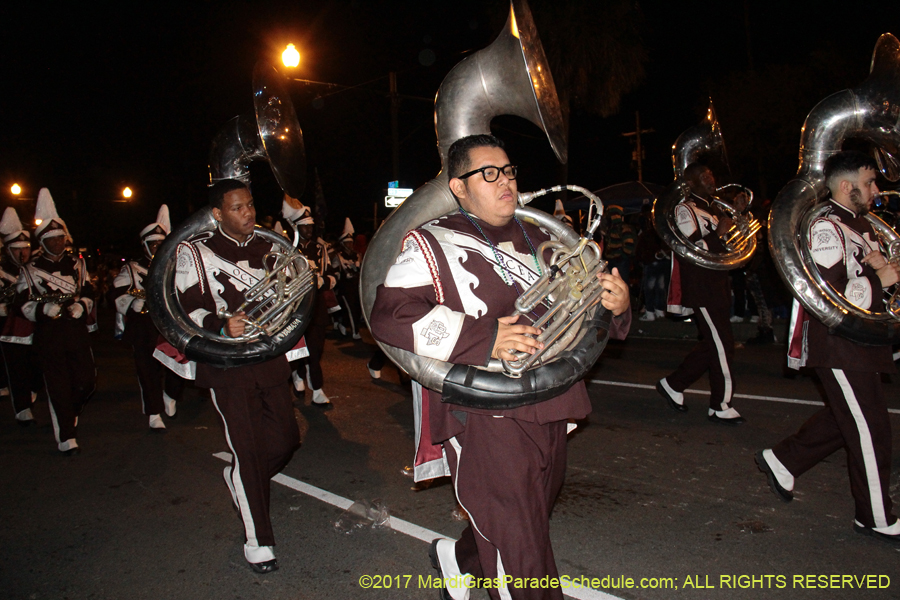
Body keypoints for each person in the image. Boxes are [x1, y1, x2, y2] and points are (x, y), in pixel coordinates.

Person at [370, 134, 631, 600]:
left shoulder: (545, 235)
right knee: (524, 555)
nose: (505, 181)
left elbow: (589, 309)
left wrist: (616, 303)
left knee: (526, 516)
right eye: (488, 173)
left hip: (552, 398)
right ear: (459, 187)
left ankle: (463, 558)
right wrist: (486, 337)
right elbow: (389, 315)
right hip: (484, 410)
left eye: (508, 170)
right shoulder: (431, 241)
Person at [756, 151, 900, 543]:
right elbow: (829, 295)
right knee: (871, 428)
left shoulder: (861, 224)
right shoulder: (824, 226)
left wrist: (882, 272)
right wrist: (881, 280)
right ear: (845, 185)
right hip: (837, 341)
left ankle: (783, 460)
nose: (876, 190)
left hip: (859, 341)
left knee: (847, 418)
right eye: (869, 183)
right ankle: (874, 516)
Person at [175, 180, 300, 572]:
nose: (248, 214)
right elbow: (184, 310)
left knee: (286, 439)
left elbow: (291, 301)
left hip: (269, 360)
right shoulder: (193, 253)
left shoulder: (272, 248)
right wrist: (218, 323)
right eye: (237, 208)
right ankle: (258, 541)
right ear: (217, 214)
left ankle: (241, 476)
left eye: (250, 205)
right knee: (248, 451)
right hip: (226, 366)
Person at [656, 163, 745, 425]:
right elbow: (691, 249)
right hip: (701, 285)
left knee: (713, 344)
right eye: (704, 176)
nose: (711, 178)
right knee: (722, 345)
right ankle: (720, 404)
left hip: (717, 284)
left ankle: (673, 384)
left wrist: (737, 216)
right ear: (691, 182)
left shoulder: (714, 209)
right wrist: (719, 234)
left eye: (711, 174)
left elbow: (726, 245)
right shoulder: (684, 209)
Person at [17, 188, 95, 455]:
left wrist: (81, 305)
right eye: (52, 239)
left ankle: (68, 412)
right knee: (58, 385)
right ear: (43, 241)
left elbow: (88, 292)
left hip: (75, 331)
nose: (58, 242)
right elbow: (21, 304)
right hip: (49, 334)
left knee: (86, 380)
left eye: (61, 237)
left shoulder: (78, 265)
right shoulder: (29, 271)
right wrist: (42, 310)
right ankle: (67, 436)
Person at [113, 205, 183, 430]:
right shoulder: (132, 269)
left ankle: (170, 394)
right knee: (148, 371)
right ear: (144, 245)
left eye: (160, 244)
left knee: (178, 364)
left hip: (169, 326)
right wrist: (133, 302)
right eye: (153, 244)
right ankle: (154, 412)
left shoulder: (174, 267)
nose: (157, 248)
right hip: (143, 327)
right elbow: (116, 293)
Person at [280, 196, 334, 405]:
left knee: (315, 350)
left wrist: (322, 280)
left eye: (310, 227)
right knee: (296, 348)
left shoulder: (320, 249)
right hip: (295, 307)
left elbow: (331, 276)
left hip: (316, 307)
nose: (309, 231)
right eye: (304, 227)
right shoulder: (287, 249)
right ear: (295, 227)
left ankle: (317, 389)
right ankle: (297, 374)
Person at [0, 207, 42, 426]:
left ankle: (32, 391)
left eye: (25, 248)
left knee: (37, 365)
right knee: (16, 367)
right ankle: (22, 408)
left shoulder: (34, 269)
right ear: (8, 250)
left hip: (34, 323)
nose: (22, 253)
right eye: (16, 249)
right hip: (8, 327)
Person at [332, 218, 362, 340]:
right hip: (345, 287)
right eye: (347, 242)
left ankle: (343, 324)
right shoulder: (338, 256)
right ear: (343, 243)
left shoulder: (357, 255)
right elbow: (334, 272)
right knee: (350, 309)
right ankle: (355, 332)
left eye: (351, 242)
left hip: (356, 286)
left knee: (357, 309)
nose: (350, 245)